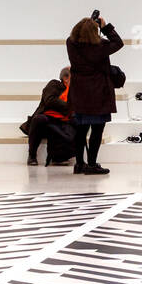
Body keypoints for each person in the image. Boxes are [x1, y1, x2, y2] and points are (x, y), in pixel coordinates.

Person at [65, 15, 123, 175]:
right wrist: (104, 26)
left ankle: (79, 164)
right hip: (99, 95)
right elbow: (118, 43)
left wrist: (88, 24)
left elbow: (77, 37)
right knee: (97, 130)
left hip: (79, 94)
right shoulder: (101, 46)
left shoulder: (71, 44)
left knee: (81, 130)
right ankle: (91, 164)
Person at [21, 65, 75, 166]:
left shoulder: (75, 91)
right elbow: (50, 101)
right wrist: (70, 106)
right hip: (47, 118)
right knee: (39, 119)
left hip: (63, 121)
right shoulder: (54, 84)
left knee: (74, 123)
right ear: (65, 78)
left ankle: (59, 157)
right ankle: (32, 155)